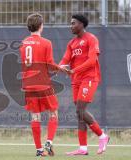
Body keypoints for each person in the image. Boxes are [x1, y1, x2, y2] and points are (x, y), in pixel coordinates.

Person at [59, 14, 109, 155]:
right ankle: (83, 148)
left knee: (80, 109)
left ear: (81, 24)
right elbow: (65, 60)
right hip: (76, 80)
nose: (71, 25)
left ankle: (102, 136)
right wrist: (57, 67)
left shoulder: (91, 39)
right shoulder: (71, 43)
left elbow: (92, 61)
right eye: (70, 23)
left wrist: (74, 70)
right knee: (79, 113)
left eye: (73, 23)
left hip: (90, 78)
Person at [20, 13, 67, 157]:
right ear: (41, 26)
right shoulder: (46, 42)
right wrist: (61, 68)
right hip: (43, 84)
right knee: (53, 112)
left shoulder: (23, 43)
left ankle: (39, 150)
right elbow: (49, 64)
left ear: (29, 27)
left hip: (28, 85)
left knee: (35, 117)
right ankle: (49, 142)